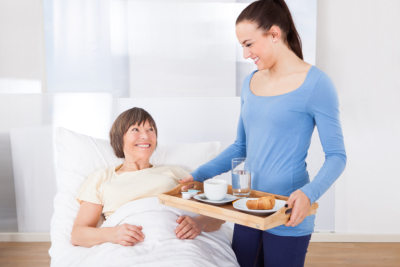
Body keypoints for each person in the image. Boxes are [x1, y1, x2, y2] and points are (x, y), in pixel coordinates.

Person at [180, 0, 347, 266]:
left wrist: (309, 194)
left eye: (248, 44)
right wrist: (197, 175)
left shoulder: (317, 84)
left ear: (274, 34)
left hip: (287, 213)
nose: (245, 54)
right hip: (247, 206)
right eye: (242, 46)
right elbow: (240, 146)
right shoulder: (250, 82)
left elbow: (337, 156)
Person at [71, 107, 224, 248]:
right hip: (126, 248)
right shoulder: (101, 178)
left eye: (150, 129)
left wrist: (200, 223)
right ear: (120, 138)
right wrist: (111, 234)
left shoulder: (176, 173)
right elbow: (78, 235)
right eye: (135, 129)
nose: (145, 136)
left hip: (179, 244)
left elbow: (219, 214)